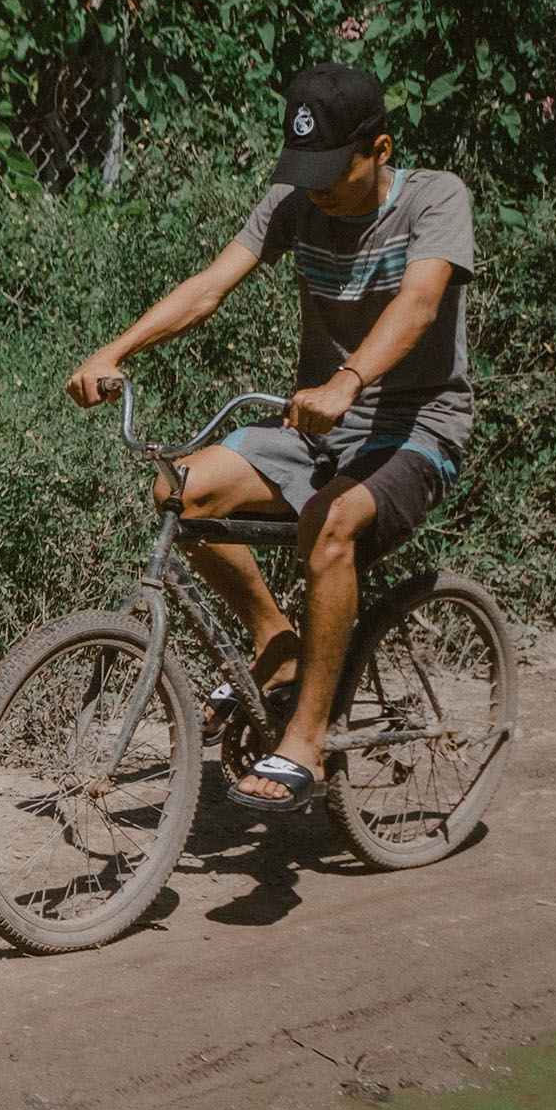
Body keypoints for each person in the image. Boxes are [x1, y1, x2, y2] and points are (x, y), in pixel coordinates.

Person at [63, 62, 477, 813]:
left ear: (379, 149)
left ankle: (309, 741)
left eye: (332, 169)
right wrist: (114, 351)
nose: (314, 187)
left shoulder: (436, 199)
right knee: (178, 490)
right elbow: (210, 285)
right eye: (303, 168)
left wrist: (348, 384)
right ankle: (275, 640)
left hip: (416, 428)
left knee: (333, 523)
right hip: (317, 427)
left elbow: (418, 305)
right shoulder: (295, 204)